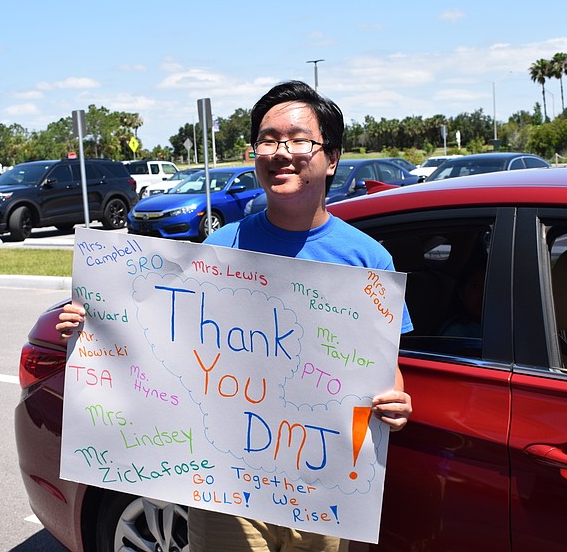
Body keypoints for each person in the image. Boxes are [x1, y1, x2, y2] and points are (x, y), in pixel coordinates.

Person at [58, 80, 413, 552]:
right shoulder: (218, 250)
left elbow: (387, 370)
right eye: (268, 139)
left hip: (326, 494)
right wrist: (91, 332)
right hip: (228, 489)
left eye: (299, 139)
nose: (281, 151)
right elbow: (168, 351)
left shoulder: (367, 261)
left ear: (331, 158)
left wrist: (398, 403)